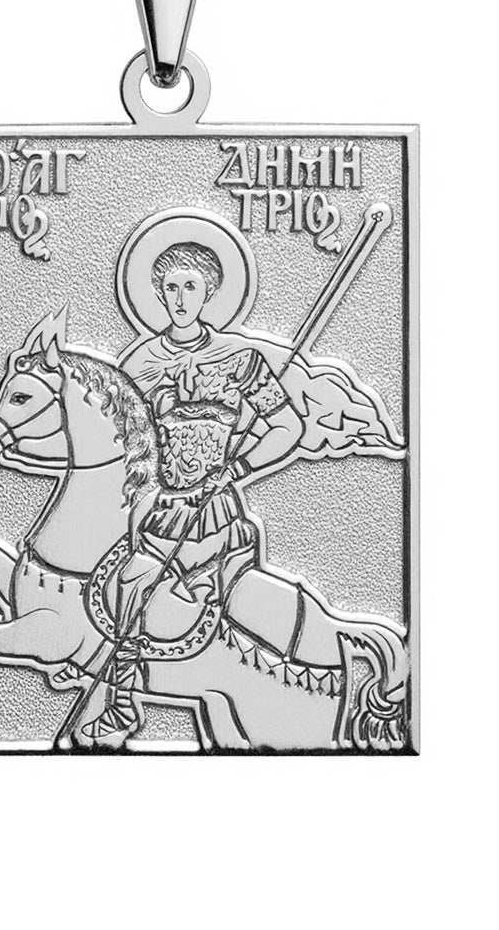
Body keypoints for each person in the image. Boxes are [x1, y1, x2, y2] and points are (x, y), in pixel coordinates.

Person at [80, 241, 303, 743]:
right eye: (171, 288)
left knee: (169, 589)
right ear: (158, 293)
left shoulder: (240, 358)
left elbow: (288, 425)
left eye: (191, 287)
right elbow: (121, 438)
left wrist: (238, 468)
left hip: (216, 510)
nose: (180, 299)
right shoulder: (139, 363)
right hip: (161, 509)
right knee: (129, 584)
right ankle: (123, 704)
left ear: (210, 293)